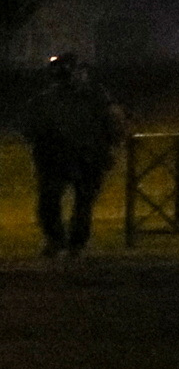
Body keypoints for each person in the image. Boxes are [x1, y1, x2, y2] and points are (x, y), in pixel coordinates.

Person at [24, 52, 123, 257]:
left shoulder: (94, 96)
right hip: (62, 157)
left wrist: (109, 145)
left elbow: (113, 123)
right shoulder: (49, 100)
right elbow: (32, 129)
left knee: (76, 203)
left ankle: (68, 242)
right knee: (61, 202)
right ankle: (62, 241)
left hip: (81, 157)